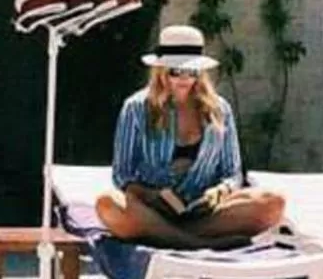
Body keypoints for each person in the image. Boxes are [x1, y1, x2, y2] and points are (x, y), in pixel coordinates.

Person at [94, 25, 286, 246]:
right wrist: (152, 195)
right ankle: (194, 241)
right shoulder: (136, 108)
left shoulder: (219, 109)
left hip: (204, 211)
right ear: (161, 70)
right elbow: (122, 174)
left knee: (273, 202)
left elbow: (232, 172)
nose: (184, 78)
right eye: (176, 71)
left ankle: (174, 236)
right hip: (152, 208)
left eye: (192, 71)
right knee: (107, 203)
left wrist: (219, 191)